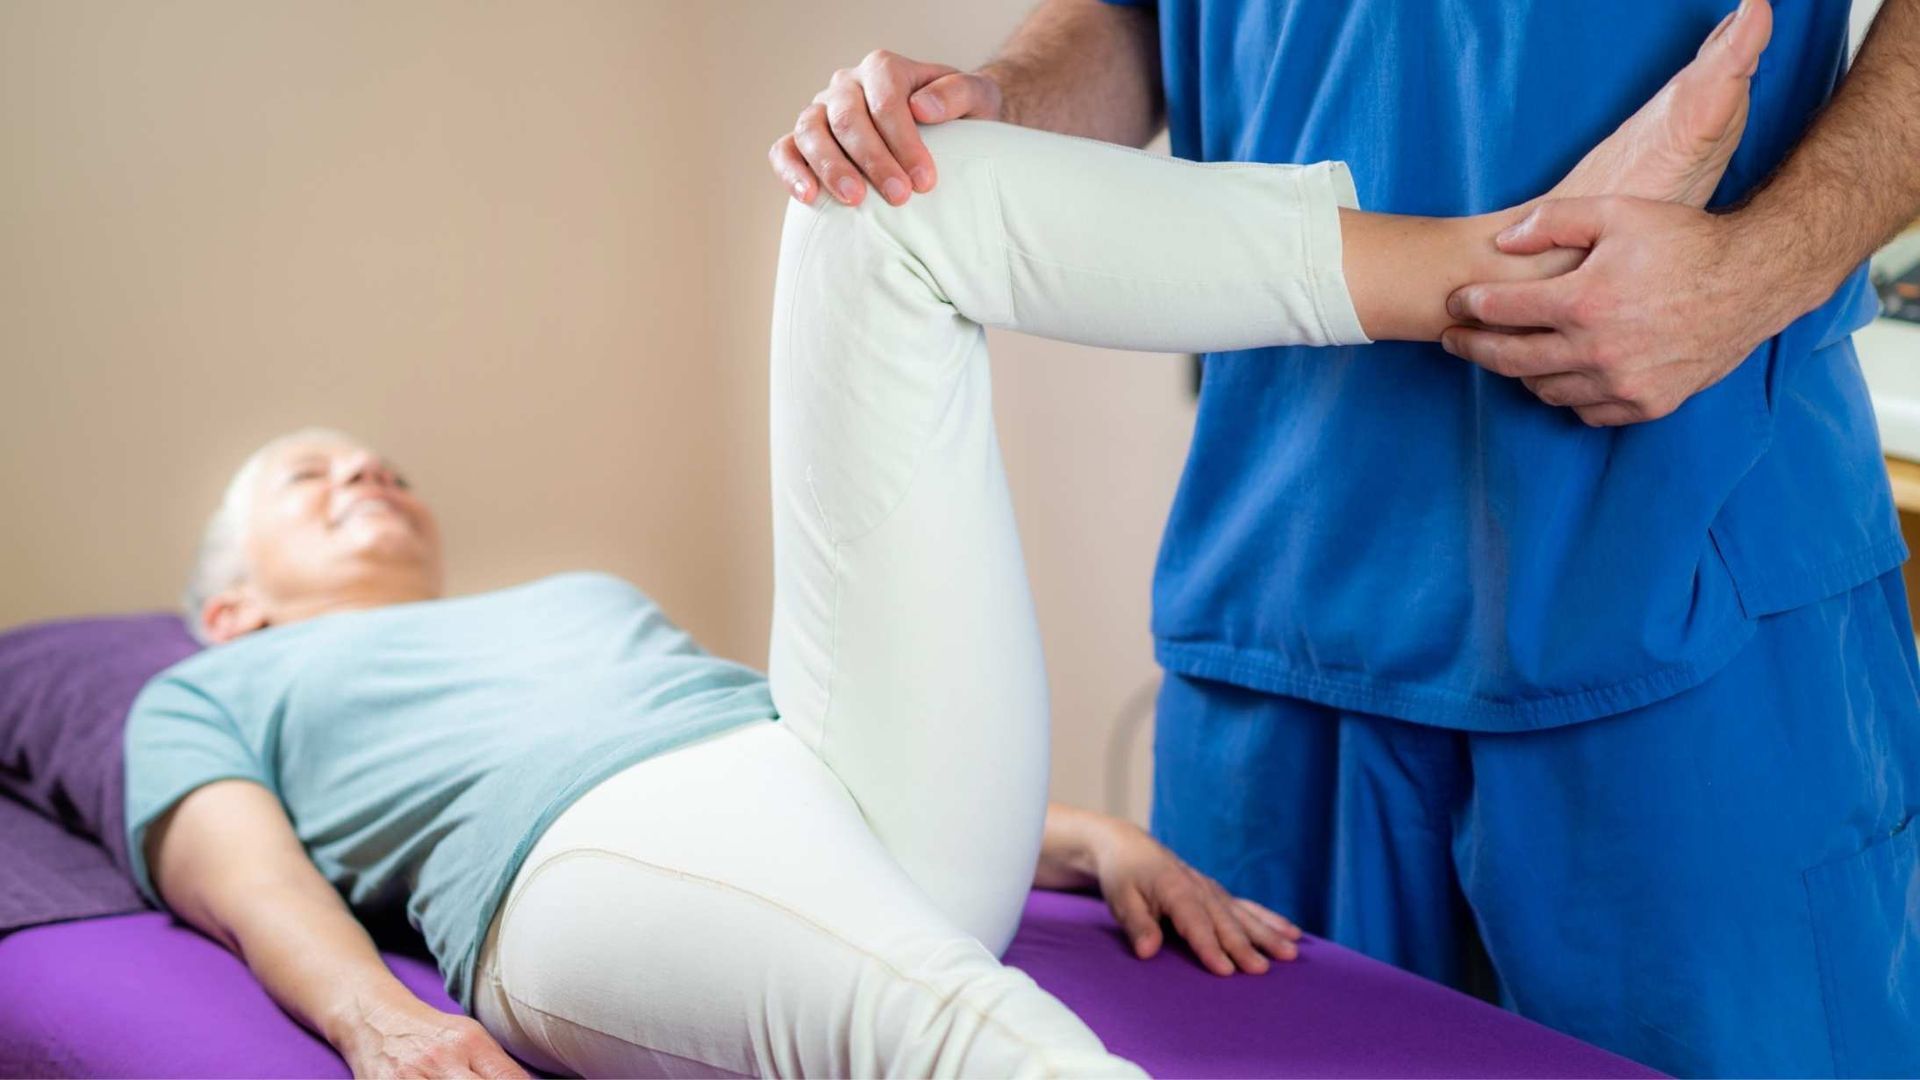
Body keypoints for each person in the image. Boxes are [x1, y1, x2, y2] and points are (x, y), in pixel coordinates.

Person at [127, 18, 1754, 1077]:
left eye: (378, 458)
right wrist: (378, 1027)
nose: (365, 469)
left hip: (826, 799)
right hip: (563, 883)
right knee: (948, 1034)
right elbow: (239, 869)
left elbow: (790, 737)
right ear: (231, 606)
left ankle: (1503, 266)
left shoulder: (570, 607)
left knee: (884, 195)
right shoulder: (217, 690)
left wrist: (1065, 836)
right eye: (309, 478)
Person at [771, 0, 1920, 1075]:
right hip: (1280, 609)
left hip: (1684, 584)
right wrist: (996, 112)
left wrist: (1759, 267)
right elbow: (1134, 16)